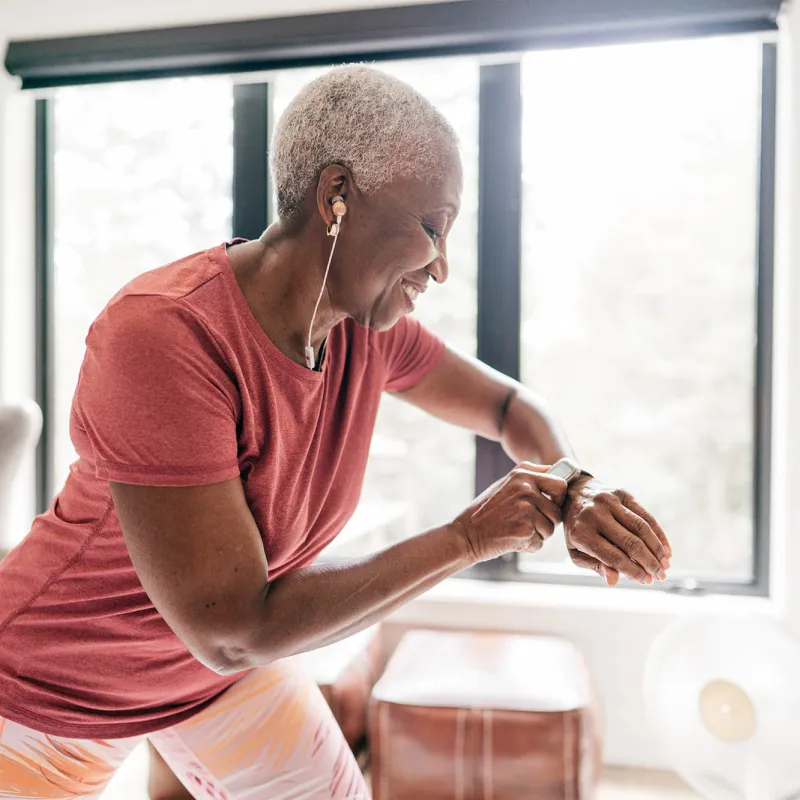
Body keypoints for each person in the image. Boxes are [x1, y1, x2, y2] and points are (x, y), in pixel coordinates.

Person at [0, 66, 670, 800]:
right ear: (337, 195)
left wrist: (574, 487)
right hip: (53, 684)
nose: (440, 268)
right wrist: (467, 537)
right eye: (431, 227)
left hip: (211, 679)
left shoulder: (366, 331)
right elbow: (233, 629)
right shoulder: (164, 336)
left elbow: (509, 408)